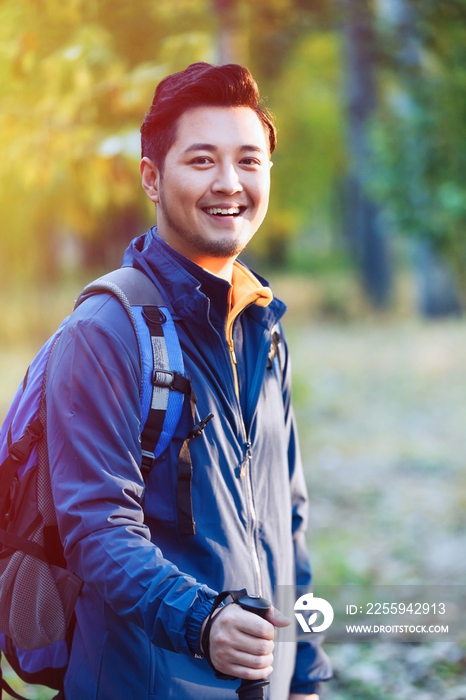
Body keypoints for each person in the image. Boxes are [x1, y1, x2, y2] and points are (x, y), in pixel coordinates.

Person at [46, 62, 332, 700]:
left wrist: (305, 672)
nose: (230, 184)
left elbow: (285, 519)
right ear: (152, 177)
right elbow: (96, 527)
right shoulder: (105, 332)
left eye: (249, 161)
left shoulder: (260, 321)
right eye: (202, 160)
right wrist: (203, 622)